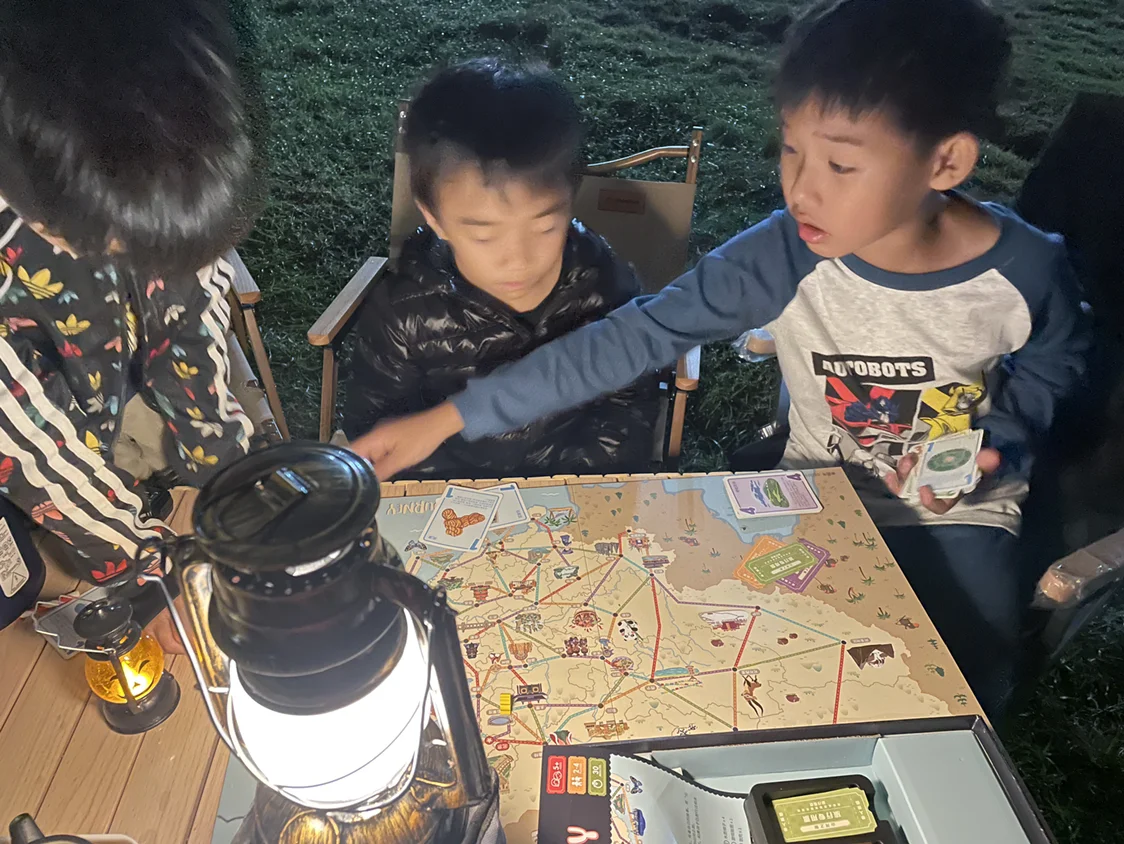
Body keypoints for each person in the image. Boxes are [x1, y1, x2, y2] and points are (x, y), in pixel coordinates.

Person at [350, 0, 1091, 720]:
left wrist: (1000, 443)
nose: (801, 189)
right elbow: (631, 339)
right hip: (816, 490)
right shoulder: (782, 254)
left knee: (961, 681)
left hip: (961, 510)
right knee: (763, 667)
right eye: (791, 150)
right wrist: (448, 418)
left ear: (946, 160)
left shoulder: (1026, 271)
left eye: (840, 164)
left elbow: (1054, 365)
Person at [0, 0, 259, 650]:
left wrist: (224, 471)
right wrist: (144, 567)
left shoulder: (163, 139)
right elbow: (28, 439)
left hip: (101, 398)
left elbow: (187, 305)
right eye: (122, 251)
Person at [341, 58, 657, 478]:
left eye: (544, 227)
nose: (518, 259)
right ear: (434, 219)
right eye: (484, 235)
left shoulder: (606, 286)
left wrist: (566, 486)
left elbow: (627, 410)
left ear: (570, 200)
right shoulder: (403, 313)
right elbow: (378, 431)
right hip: (453, 494)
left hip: (568, 487)